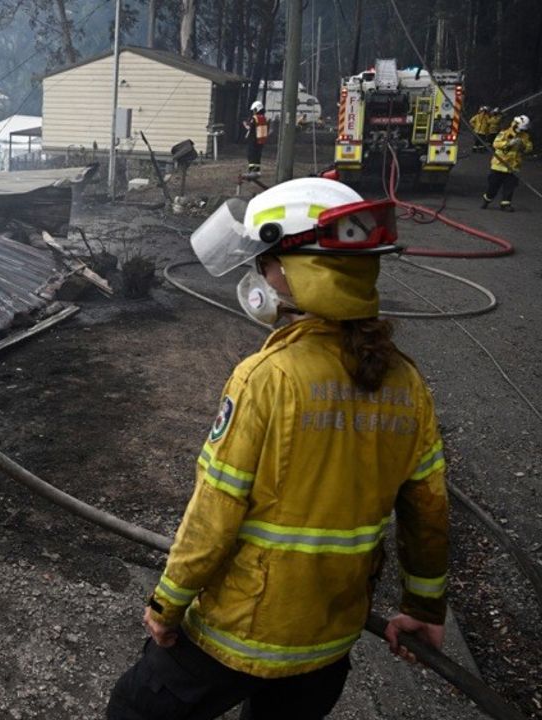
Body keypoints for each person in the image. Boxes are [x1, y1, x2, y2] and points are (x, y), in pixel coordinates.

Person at [106, 177, 449, 720]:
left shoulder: (265, 377)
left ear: (292, 271)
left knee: (133, 710)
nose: (258, 275)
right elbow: (428, 512)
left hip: (240, 631)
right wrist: (425, 608)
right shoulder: (408, 383)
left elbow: (216, 510)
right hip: (327, 643)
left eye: (263, 262)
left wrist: (167, 602)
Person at [482, 115, 532, 212]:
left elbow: (529, 147)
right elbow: (495, 144)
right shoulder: (504, 133)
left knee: (510, 187)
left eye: (523, 129)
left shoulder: (525, 136)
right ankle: (487, 200)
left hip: (513, 167)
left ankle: (505, 205)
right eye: (520, 128)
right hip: (499, 165)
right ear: (515, 124)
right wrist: (508, 143)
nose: (521, 131)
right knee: (493, 186)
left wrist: (523, 146)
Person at [242, 101, 269, 174]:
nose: (253, 112)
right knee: (257, 156)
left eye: (254, 110)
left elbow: (251, 128)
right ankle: (257, 171)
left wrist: (245, 125)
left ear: (257, 109)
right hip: (261, 140)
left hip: (253, 140)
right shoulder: (264, 118)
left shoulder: (255, 118)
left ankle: (252, 171)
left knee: (251, 155)